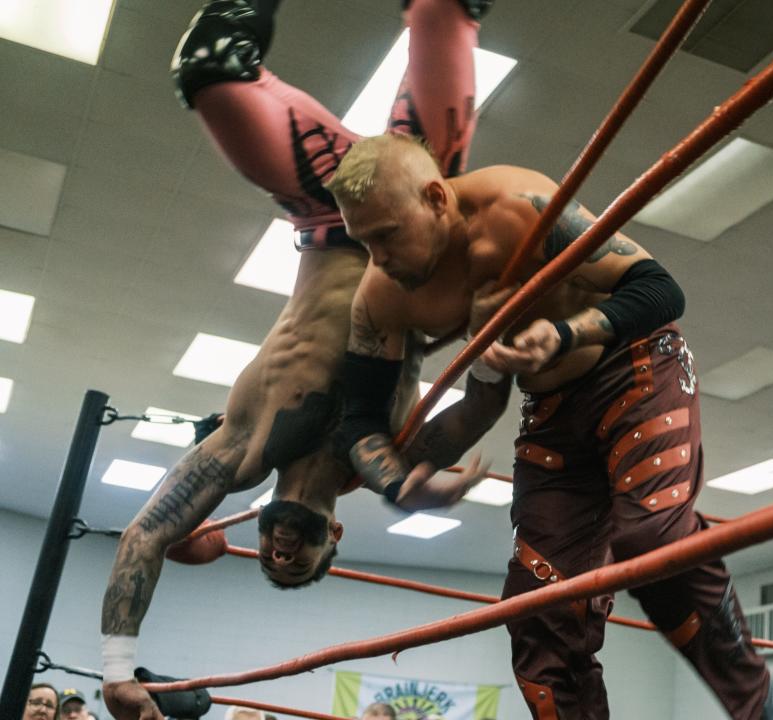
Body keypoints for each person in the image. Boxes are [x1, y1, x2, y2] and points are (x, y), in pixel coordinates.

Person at [101, 2, 505, 720]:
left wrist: (115, 670)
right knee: (446, 9)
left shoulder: (244, 449)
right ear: (334, 540)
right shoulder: (384, 454)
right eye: (301, 563)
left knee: (211, 67)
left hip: (326, 212)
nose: (284, 553)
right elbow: (476, 402)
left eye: (272, 559)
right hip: (416, 203)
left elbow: (147, 534)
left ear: (254, 533)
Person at [327, 134, 773, 719]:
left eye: (386, 234)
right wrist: (397, 482)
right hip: (550, 411)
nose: (378, 257)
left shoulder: (520, 205)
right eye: (363, 241)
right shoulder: (381, 297)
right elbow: (360, 420)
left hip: (634, 365)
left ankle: (754, 703)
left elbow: (660, 290)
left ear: (437, 198)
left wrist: (567, 332)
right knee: (537, 612)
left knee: (650, 541)